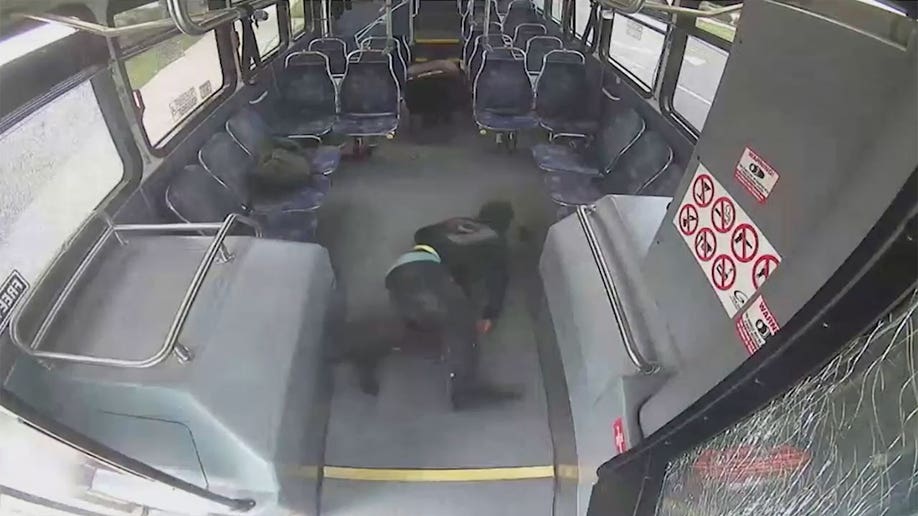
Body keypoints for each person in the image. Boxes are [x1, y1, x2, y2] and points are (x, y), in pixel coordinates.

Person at [382, 201, 516, 409]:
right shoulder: (496, 241)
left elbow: (421, 234)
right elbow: (497, 282)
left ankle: (413, 339)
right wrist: (490, 314)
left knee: (426, 307)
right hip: (427, 273)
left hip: (402, 267)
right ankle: (466, 392)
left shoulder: (456, 223)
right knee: (462, 327)